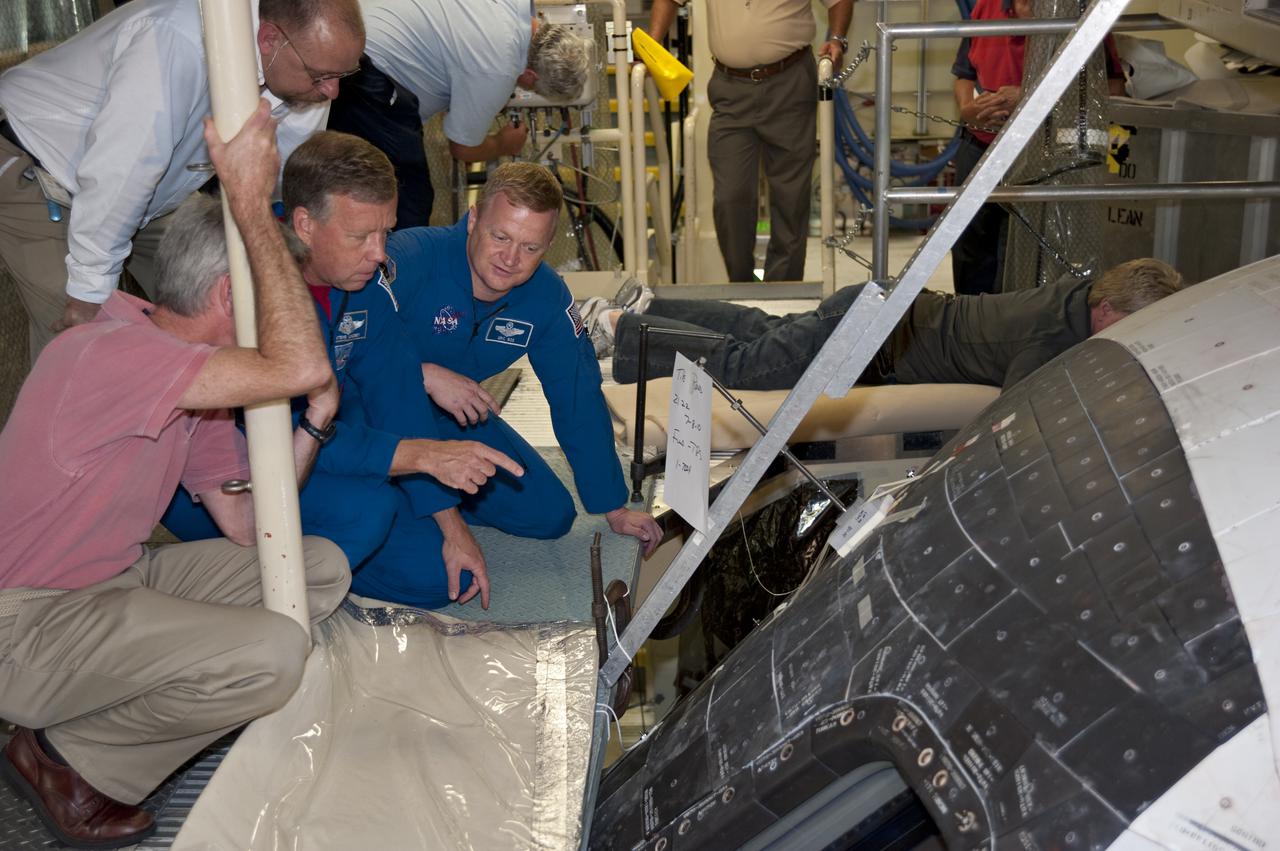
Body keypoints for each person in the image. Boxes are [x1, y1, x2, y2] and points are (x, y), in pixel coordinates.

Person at [0, 104, 350, 849]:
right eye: (272, 296)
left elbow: (249, 520)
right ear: (230, 298)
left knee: (317, 568)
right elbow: (300, 363)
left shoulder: (184, 380)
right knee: (274, 654)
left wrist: (315, 422)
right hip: (24, 622)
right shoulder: (112, 354)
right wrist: (253, 210)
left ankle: (84, 716)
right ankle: (65, 758)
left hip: (115, 584)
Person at [161, 131, 525, 610]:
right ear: (305, 225)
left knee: (435, 579)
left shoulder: (363, 284)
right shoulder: (246, 290)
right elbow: (278, 434)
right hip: (223, 479)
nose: (379, 253)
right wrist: (416, 457)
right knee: (370, 509)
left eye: (386, 233)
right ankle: (245, 591)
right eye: (360, 237)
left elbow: (396, 397)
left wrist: (451, 525)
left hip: (317, 449)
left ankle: (319, 555)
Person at [337, 161, 661, 604]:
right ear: (473, 218)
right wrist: (421, 374)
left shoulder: (546, 296)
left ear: (548, 246)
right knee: (433, 578)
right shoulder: (408, 260)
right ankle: (400, 503)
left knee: (550, 515)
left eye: (530, 247)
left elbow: (577, 395)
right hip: (372, 424)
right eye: (500, 236)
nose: (511, 259)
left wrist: (613, 505)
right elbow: (339, 347)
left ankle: (433, 498)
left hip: (453, 421)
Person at [0, 0, 365, 360]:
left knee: (229, 298)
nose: (331, 91)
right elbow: (122, 171)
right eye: (321, 76)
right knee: (85, 351)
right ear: (269, 39)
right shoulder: (177, 39)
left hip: (155, 191)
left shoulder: (306, 68)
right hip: (40, 158)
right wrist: (87, 293)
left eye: (342, 76)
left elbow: (280, 184)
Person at [593, 258, 1183, 391]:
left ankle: (650, 308)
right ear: (1109, 311)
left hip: (879, 305)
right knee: (746, 367)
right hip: (875, 340)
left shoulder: (1081, 293)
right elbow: (1018, 413)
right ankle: (623, 328)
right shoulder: (1056, 336)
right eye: (1136, 324)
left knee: (757, 328)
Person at [327, 0, 591, 227]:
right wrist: (502, 144)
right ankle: (387, 281)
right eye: (531, 85)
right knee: (407, 204)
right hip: (368, 74)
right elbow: (462, 148)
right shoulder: (500, 67)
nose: (523, 85)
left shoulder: (510, 9)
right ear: (531, 75)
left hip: (349, 27)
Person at [648, 0, 852, 282]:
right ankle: (742, 284)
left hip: (790, 81)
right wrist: (653, 46)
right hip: (730, 88)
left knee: (790, 197)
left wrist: (837, 39)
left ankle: (781, 290)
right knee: (730, 196)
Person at [950, 0, 1125, 294]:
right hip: (981, 146)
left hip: (1043, 156)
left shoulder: (1078, 11)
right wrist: (968, 109)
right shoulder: (987, 7)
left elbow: (1112, 88)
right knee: (970, 250)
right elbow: (964, 74)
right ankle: (969, 325)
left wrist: (1032, 98)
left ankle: (1014, 329)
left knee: (1024, 256)